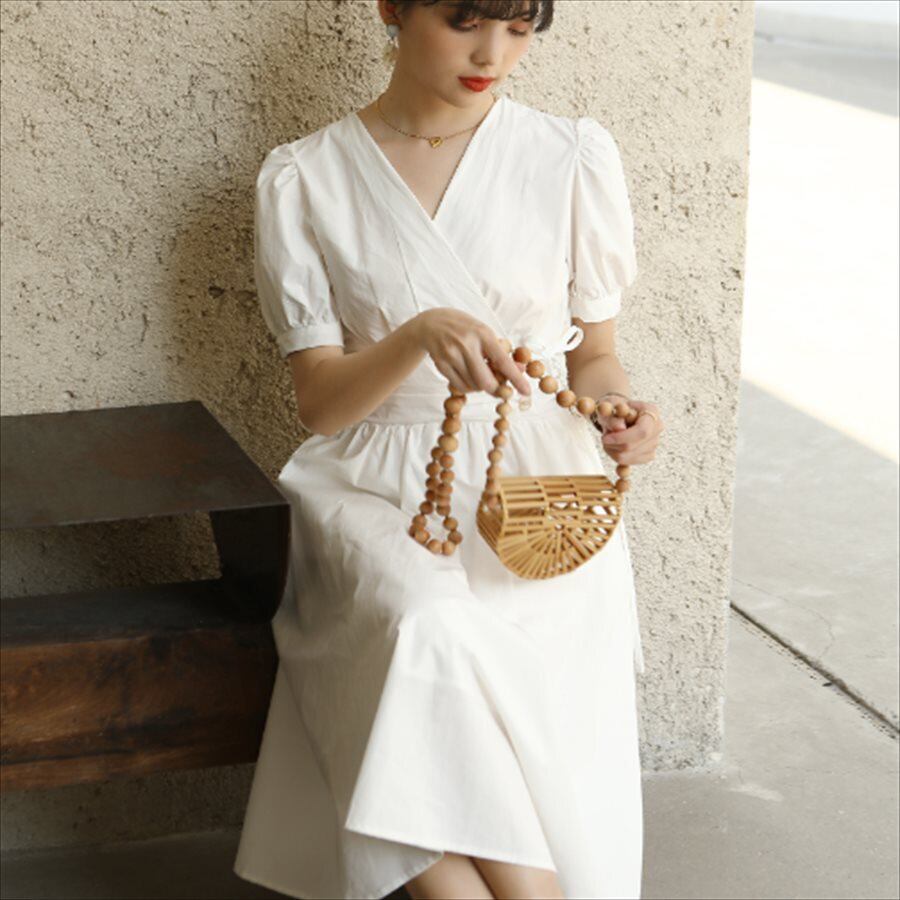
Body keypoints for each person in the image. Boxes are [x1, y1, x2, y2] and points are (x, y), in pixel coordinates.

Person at [233, 1, 664, 898]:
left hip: (537, 492)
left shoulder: (568, 156)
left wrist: (622, 411)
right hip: (380, 484)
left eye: (519, 28)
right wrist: (415, 336)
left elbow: (593, 355)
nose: (492, 53)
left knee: (432, 697)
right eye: (466, 20)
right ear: (392, 6)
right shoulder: (307, 177)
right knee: (425, 626)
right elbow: (321, 406)